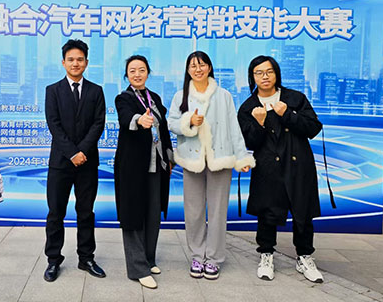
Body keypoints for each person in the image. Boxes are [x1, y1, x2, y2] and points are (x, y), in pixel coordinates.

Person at [238, 55, 328, 283]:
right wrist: (259, 123)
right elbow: (250, 143)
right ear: (252, 77)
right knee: (267, 213)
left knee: (303, 213)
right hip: (268, 167)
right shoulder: (248, 107)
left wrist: (287, 114)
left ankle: (304, 256)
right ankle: (266, 255)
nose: (264, 76)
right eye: (259, 73)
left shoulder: (294, 98)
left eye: (269, 71)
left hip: (299, 165)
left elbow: (314, 128)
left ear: (276, 73)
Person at [168, 51, 254, 280]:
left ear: (209, 67)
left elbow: (234, 128)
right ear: (188, 70)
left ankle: (214, 258)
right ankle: (197, 256)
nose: (198, 69)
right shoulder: (180, 96)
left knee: (217, 212)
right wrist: (189, 121)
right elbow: (172, 124)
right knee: (193, 212)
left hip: (220, 159)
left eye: (202, 65)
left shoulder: (224, 95)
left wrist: (242, 157)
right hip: (192, 160)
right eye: (193, 66)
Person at [43, 39, 106, 282]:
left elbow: (98, 124)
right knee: (55, 213)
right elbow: (54, 125)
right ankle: (53, 260)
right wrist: (72, 153)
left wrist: (82, 152)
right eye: (71, 59)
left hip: (87, 163)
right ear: (63, 62)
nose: (75, 63)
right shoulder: (53, 91)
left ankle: (86, 258)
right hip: (60, 163)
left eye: (80, 59)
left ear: (86, 62)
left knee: (86, 212)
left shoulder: (96, 91)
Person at [113, 55, 174, 289]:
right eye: (132, 71)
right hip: (133, 167)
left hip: (156, 165)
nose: (137, 74)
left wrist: (169, 156)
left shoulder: (154, 98)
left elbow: (164, 129)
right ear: (126, 75)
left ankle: (149, 259)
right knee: (133, 215)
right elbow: (126, 118)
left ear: (148, 72)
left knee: (152, 214)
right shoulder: (123, 98)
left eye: (141, 70)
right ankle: (137, 268)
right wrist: (139, 120)